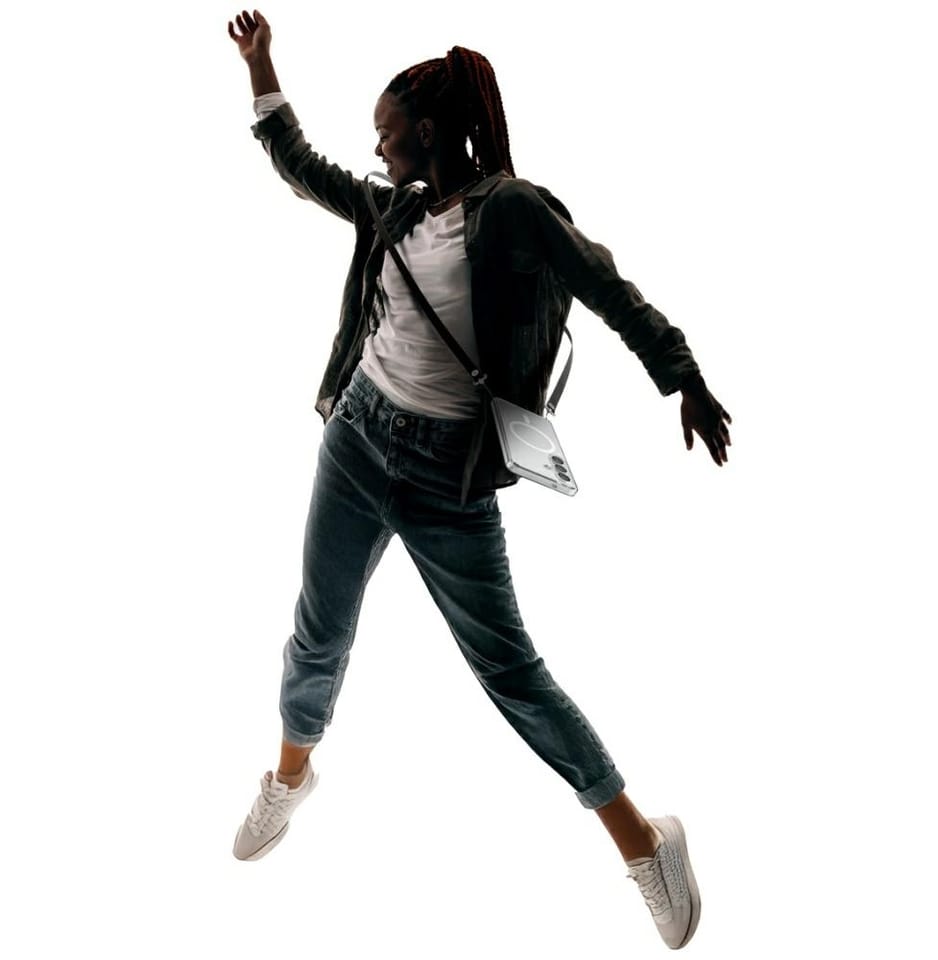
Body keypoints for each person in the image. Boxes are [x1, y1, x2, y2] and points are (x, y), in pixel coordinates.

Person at [227, 9, 731, 951]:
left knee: (511, 671)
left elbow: (609, 288)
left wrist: (684, 377)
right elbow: (299, 167)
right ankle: (289, 778)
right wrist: (262, 69)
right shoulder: (393, 208)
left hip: (448, 479)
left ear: (428, 131)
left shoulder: (514, 211)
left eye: (387, 134)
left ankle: (645, 843)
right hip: (357, 441)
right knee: (318, 632)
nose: (377, 150)